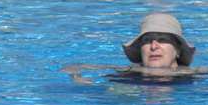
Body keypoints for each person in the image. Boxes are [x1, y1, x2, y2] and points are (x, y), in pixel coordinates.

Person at [62, 12, 198, 84]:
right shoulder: (129, 73)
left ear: (178, 50)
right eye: (147, 41)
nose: (153, 46)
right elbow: (72, 67)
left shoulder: (194, 75)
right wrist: (77, 78)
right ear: (140, 49)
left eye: (162, 40)